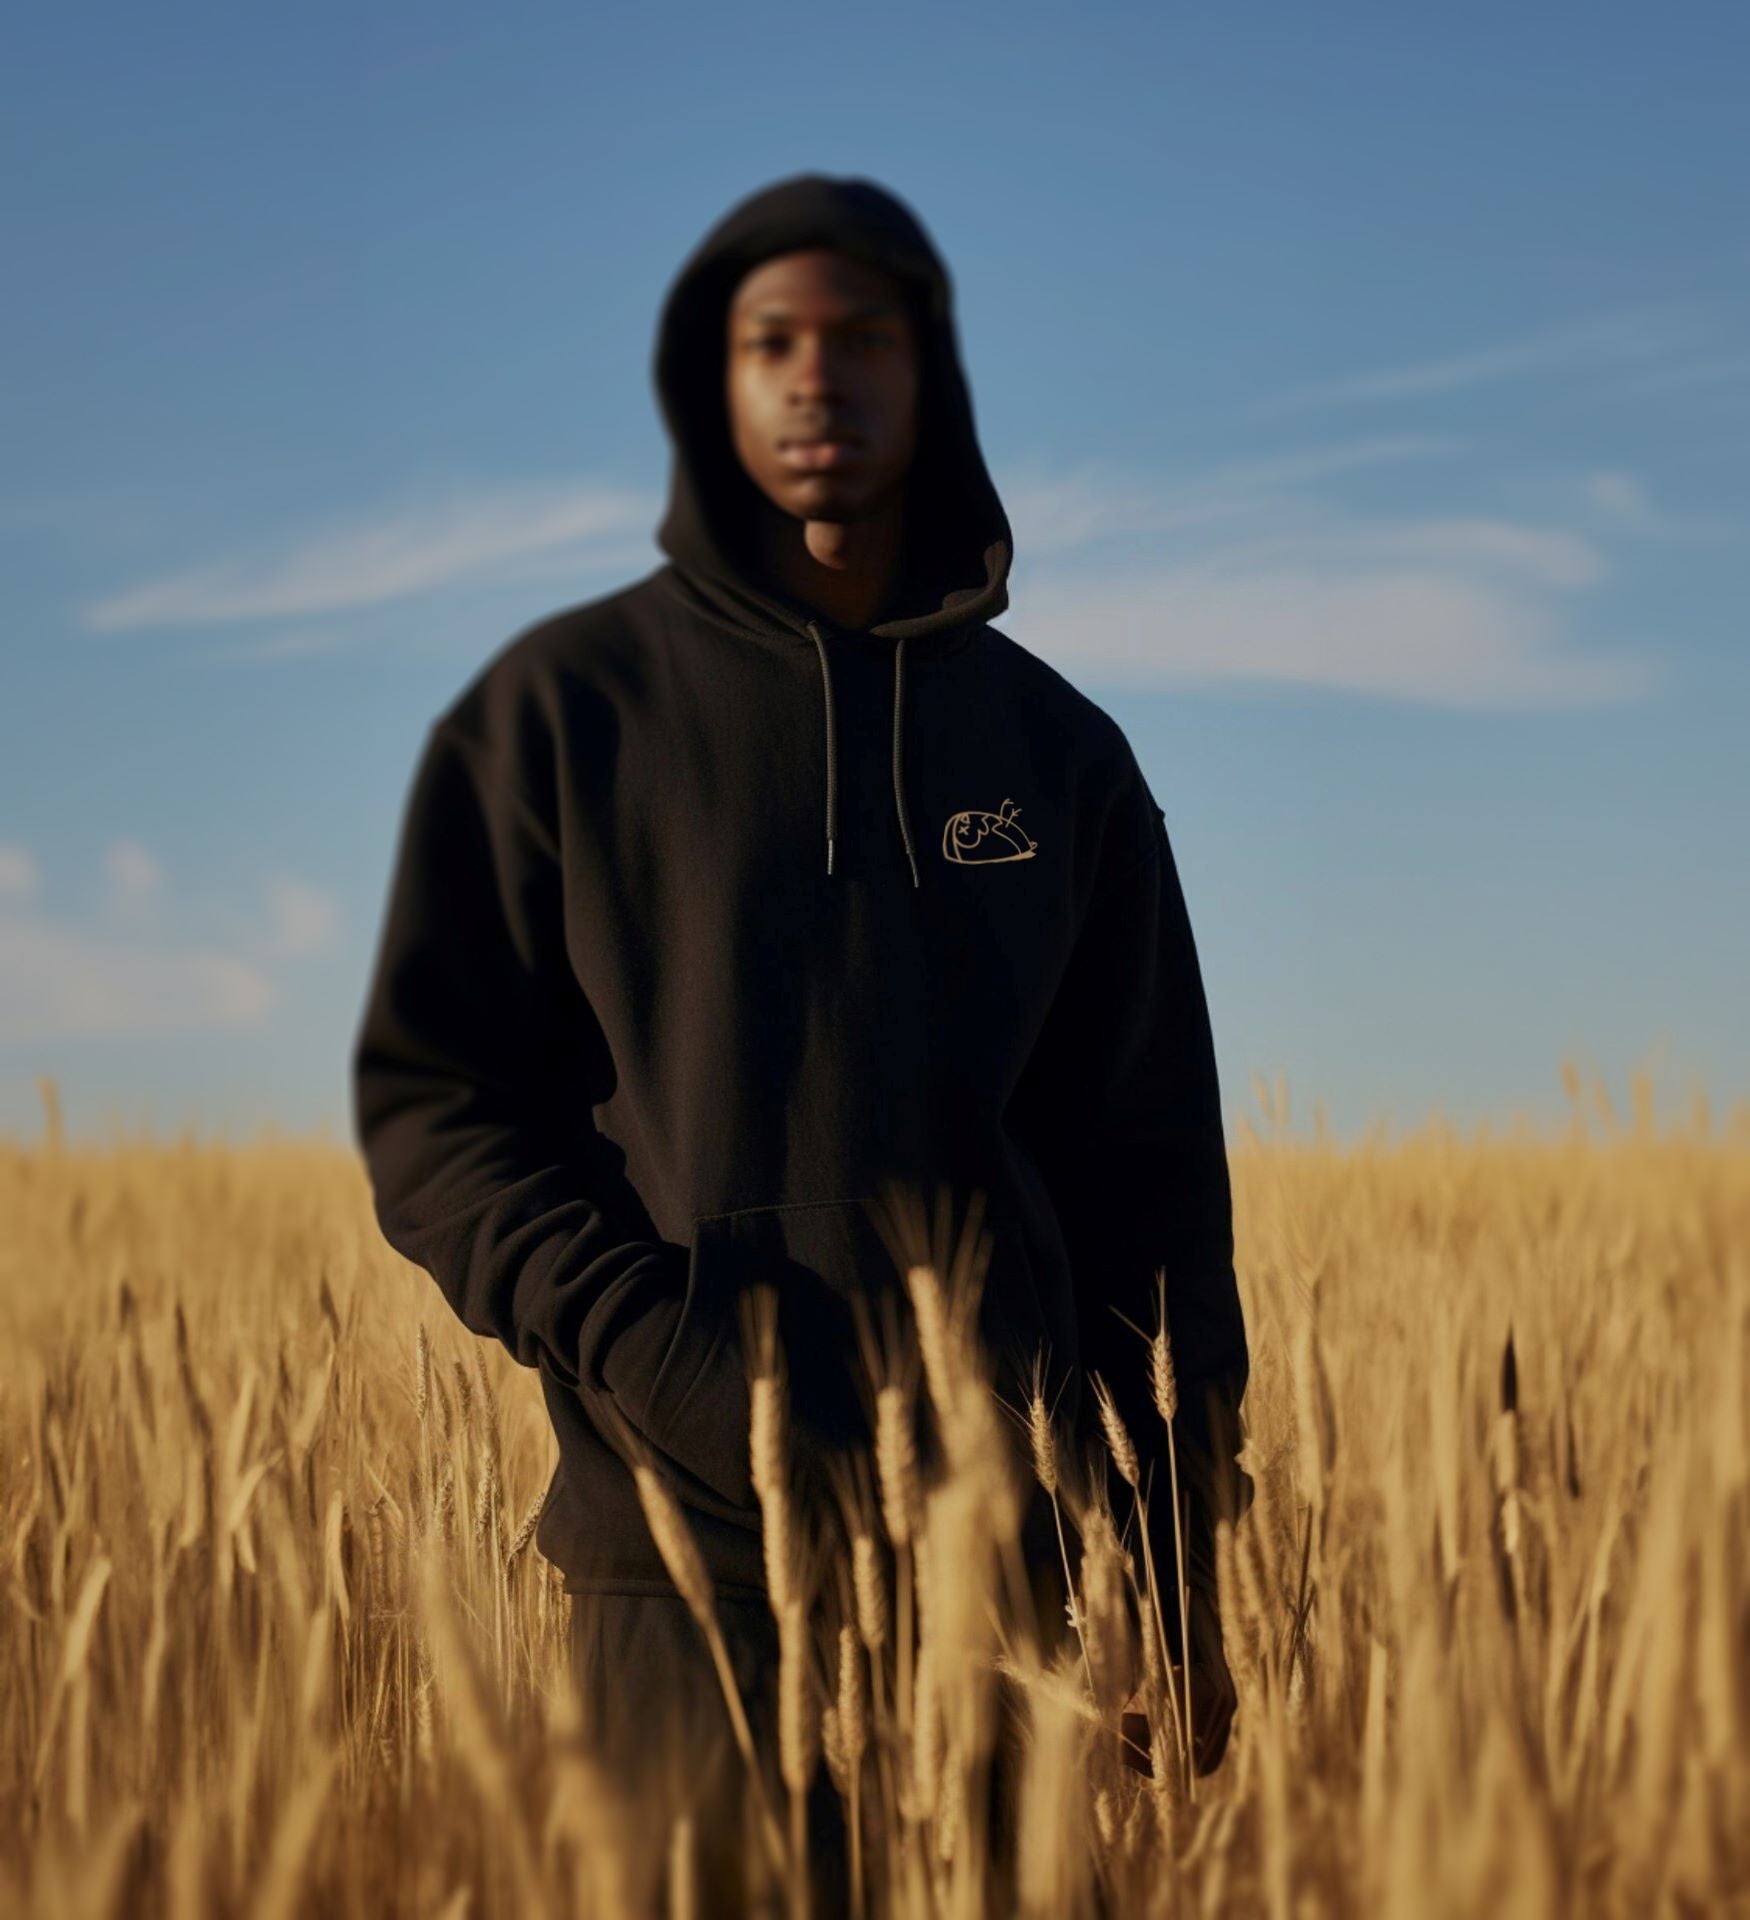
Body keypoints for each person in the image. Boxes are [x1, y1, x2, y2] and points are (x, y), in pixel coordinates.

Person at [351, 171, 1252, 1904]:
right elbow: (438, 1117)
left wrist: (1176, 1562)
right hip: (678, 1583)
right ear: (713, 383)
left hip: (1016, 1597)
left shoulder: (1059, 757)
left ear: (935, 377)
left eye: (863, 339)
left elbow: (1151, 1186)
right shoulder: (558, 718)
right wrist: (671, 1362)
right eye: (771, 344)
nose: (817, 380)